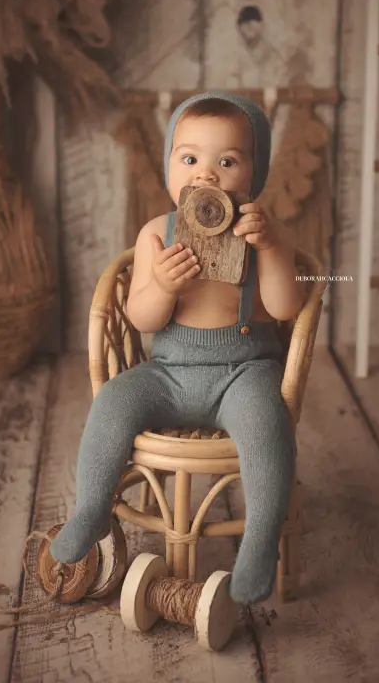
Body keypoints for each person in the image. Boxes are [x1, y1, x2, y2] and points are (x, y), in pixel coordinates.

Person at [50, 91, 304, 605]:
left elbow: (285, 306)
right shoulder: (157, 234)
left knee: (268, 425)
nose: (205, 174)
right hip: (168, 373)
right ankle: (92, 508)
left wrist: (273, 247)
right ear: (169, 165)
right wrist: (163, 285)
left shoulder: (262, 234)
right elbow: (141, 318)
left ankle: (260, 540)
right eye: (189, 158)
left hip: (244, 371)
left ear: (253, 173)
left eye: (226, 161)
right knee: (113, 400)